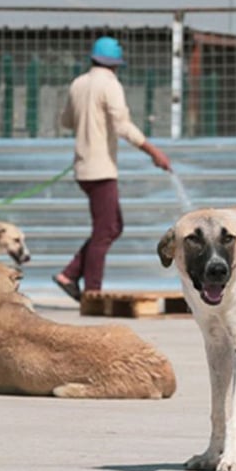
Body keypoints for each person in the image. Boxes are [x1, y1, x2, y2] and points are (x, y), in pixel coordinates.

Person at [52, 36, 171, 302]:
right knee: (105, 230)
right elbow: (123, 126)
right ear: (115, 64)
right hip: (101, 169)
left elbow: (67, 120)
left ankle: (69, 274)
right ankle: (92, 292)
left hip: (83, 168)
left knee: (112, 226)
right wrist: (154, 152)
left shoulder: (79, 83)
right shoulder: (110, 85)